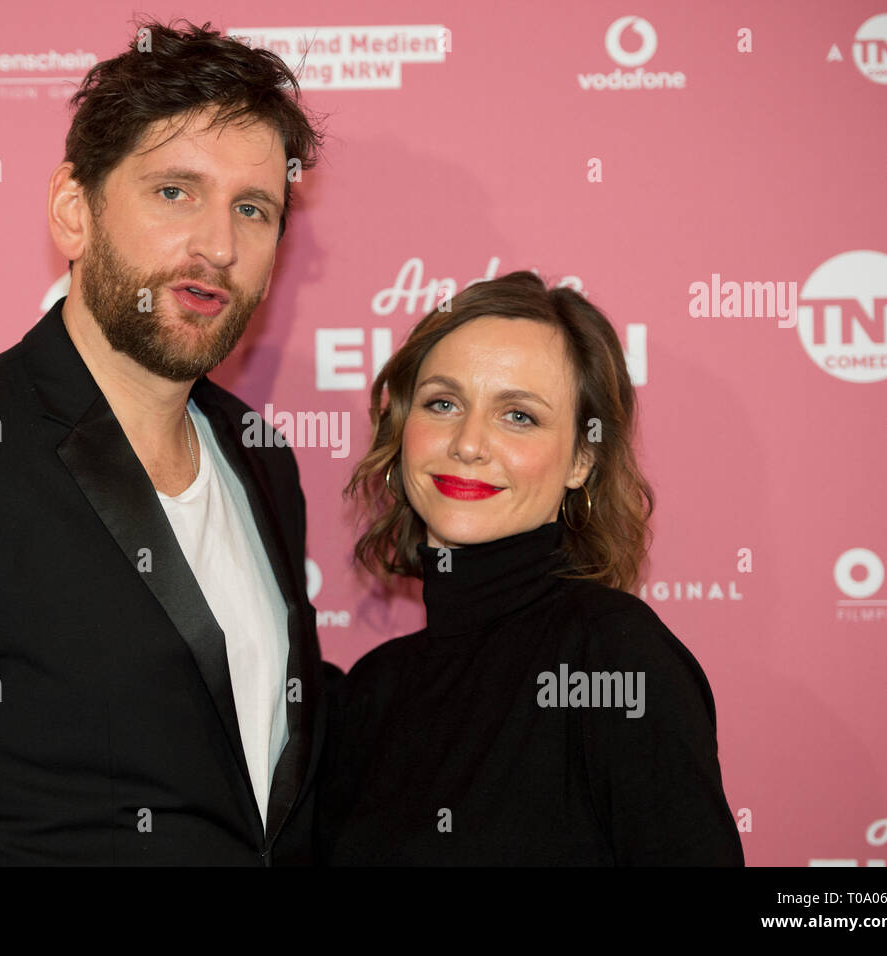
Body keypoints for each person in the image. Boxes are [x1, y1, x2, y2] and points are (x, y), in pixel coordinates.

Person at [0, 18, 332, 865]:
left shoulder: (261, 457)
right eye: (174, 191)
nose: (218, 246)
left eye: (252, 209)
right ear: (74, 212)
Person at [316, 271, 744, 865]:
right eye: (443, 403)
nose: (468, 443)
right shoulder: (371, 692)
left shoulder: (613, 654)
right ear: (401, 429)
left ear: (581, 461)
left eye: (518, 416)